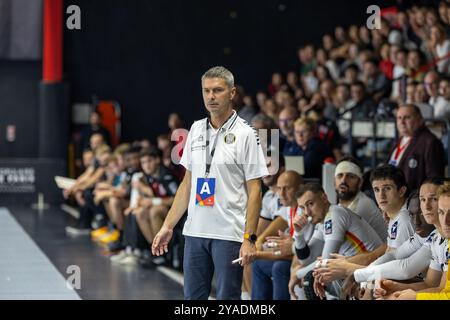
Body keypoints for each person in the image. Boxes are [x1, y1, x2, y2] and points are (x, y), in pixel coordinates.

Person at [151, 66, 268, 300]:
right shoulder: (195, 128)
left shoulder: (246, 134)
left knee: (228, 298)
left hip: (229, 234)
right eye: (206, 91)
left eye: (218, 90)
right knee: (192, 300)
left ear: (232, 93)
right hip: (195, 232)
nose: (211, 96)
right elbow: (187, 183)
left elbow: (255, 191)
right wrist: (168, 225)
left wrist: (250, 239)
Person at [388, 104, 445, 191]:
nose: (402, 122)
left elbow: (434, 179)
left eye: (407, 117)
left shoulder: (430, 142)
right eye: (399, 118)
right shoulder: (399, 140)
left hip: (414, 198)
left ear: (420, 120)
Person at [334, 157, 387, 241]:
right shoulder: (342, 204)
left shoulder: (363, 205)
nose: (343, 180)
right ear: (334, 180)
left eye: (350, 176)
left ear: (360, 182)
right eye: (340, 175)